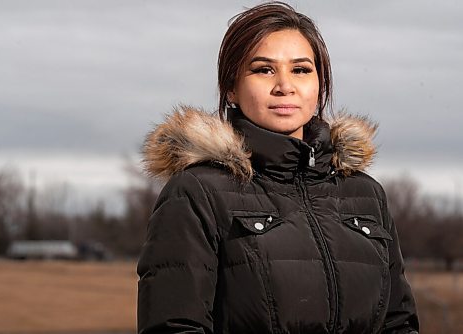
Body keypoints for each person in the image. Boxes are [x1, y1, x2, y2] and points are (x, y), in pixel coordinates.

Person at [137, 2, 419, 333]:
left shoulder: (365, 193)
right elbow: (174, 326)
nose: (284, 86)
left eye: (301, 70)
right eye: (263, 70)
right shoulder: (198, 192)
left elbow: (398, 323)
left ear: (319, 84)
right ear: (231, 87)